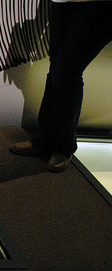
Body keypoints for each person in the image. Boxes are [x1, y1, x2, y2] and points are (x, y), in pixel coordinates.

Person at [10, 0, 112, 172]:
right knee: (57, 69)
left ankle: (63, 147)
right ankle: (46, 140)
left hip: (99, 4)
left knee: (66, 72)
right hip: (62, 2)